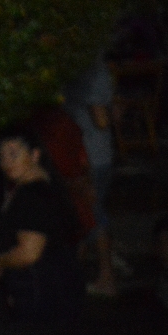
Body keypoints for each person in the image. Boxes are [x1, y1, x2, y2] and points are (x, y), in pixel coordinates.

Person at [0, 129, 85, 323]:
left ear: (35, 155)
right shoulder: (50, 186)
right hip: (61, 288)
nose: (7, 162)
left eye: (14, 154)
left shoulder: (32, 196)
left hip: (38, 294)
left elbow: (29, 253)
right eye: (2, 156)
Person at [62, 54, 118, 296]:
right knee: (84, 212)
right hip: (92, 153)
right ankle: (72, 274)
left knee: (93, 214)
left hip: (91, 155)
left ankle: (106, 276)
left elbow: (101, 119)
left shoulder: (91, 70)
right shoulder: (91, 67)